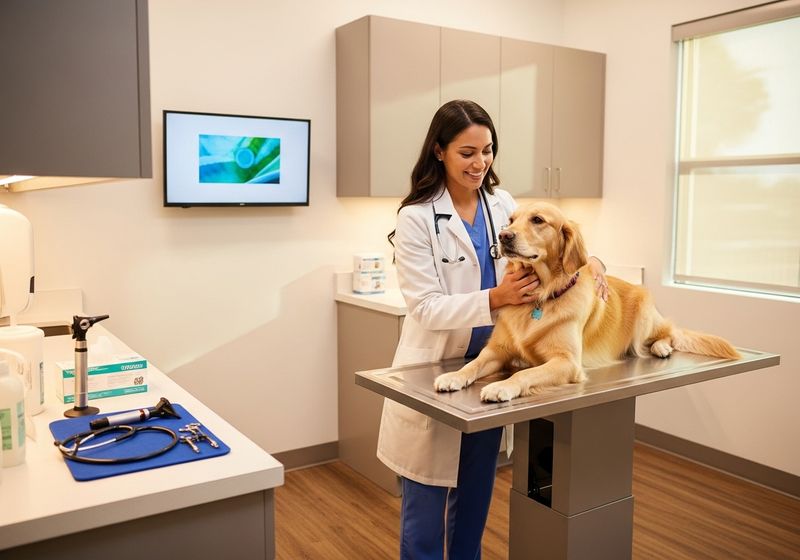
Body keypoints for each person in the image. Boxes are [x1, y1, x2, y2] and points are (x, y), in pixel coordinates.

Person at [378, 99, 609, 559]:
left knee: (474, 506)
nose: (480, 162)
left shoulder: (501, 204)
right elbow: (425, 308)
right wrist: (497, 298)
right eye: (467, 152)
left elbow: (549, 244)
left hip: (490, 370)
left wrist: (595, 261)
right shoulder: (417, 216)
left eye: (487, 151)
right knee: (424, 520)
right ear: (439, 151)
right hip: (437, 370)